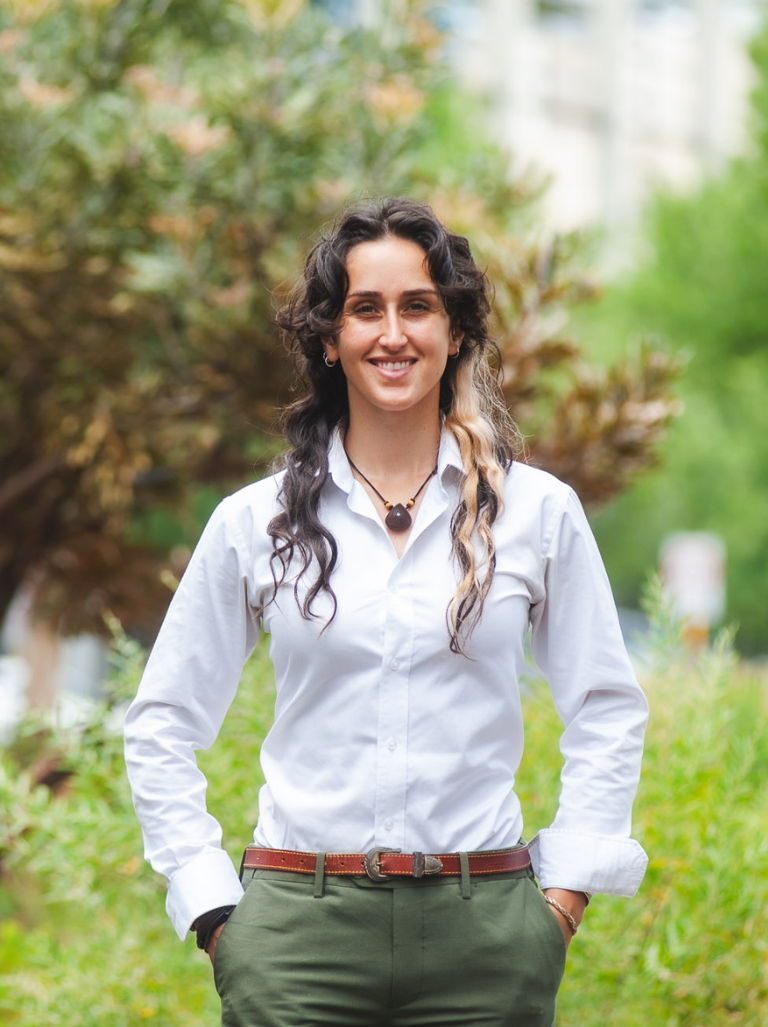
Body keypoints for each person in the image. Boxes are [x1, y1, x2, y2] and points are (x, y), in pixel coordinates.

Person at [124, 196, 649, 1027]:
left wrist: (560, 902)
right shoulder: (252, 522)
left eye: (418, 306)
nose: (393, 333)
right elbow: (160, 725)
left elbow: (607, 708)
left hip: (487, 936)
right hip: (297, 935)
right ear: (330, 340)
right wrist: (218, 914)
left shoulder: (536, 513)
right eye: (366, 309)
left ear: (456, 331)